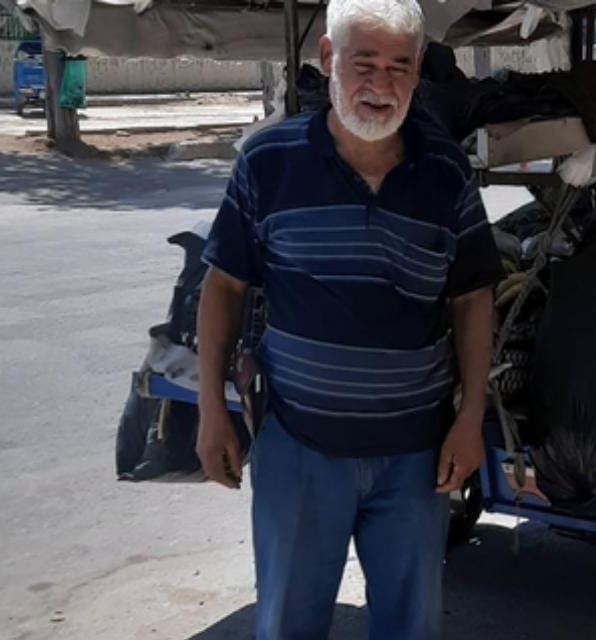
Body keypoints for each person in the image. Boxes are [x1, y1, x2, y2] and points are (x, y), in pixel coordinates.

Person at [194, 0, 501, 637]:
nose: (381, 85)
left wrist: (471, 417)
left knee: (411, 627)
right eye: (365, 63)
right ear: (329, 58)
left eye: (399, 67)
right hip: (298, 447)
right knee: (288, 626)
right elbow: (223, 285)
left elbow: (473, 297)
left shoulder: (446, 174)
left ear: (419, 70)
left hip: (415, 458)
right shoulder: (268, 162)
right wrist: (210, 410)